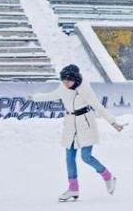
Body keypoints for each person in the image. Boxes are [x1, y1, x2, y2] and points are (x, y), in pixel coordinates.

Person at [31, 64, 124, 202]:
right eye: (63, 80)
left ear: (75, 79)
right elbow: (51, 95)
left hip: (86, 123)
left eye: (68, 80)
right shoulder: (63, 87)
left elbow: (98, 106)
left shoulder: (84, 89)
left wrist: (113, 122)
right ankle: (73, 188)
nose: (65, 83)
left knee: (86, 157)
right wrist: (34, 97)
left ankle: (108, 176)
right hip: (70, 124)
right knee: (69, 157)